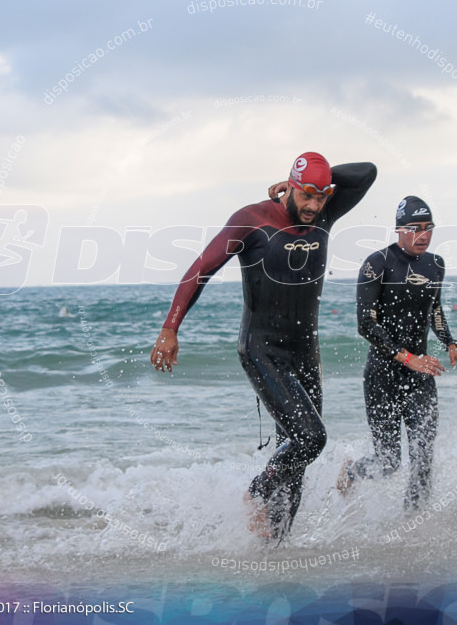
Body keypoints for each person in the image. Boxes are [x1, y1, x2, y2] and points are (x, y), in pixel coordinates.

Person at [150, 151, 377, 541]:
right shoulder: (252, 219)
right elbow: (199, 270)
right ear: (291, 188)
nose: (313, 205)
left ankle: (275, 547)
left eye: (321, 196)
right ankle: (256, 492)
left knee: (297, 457)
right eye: (306, 195)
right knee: (311, 438)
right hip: (262, 349)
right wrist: (171, 328)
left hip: (306, 351)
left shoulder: (323, 212)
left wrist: (315, 182)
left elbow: (367, 173)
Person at [337, 196, 457, 510]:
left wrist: (451, 344)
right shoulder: (377, 263)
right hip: (383, 377)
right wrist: (408, 358)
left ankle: (413, 528)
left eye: (429, 228)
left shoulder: (435, 264)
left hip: (421, 377)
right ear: (399, 229)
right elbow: (366, 324)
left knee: (423, 457)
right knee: (389, 462)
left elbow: (433, 309)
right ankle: (352, 471)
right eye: (415, 228)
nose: (423, 235)